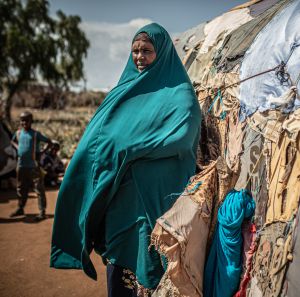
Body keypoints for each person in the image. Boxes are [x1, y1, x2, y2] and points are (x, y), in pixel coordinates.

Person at [50, 23, 201, 296]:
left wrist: (132, 149)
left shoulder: (180, 93)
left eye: (147, 50)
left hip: (157, 204)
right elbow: (100, 136)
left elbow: (182, 135)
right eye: (135, 51)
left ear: (162, 52)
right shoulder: (122, 92)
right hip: (120, 202)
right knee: (120, 271)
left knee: (154, 265)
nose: (140, 57)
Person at [10, 111, 52, 220]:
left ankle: (42, 212)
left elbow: (49, 142)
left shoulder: (35, 134)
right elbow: (12, 141)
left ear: (31, 121)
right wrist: (18, 147)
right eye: (22, 120)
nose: (24, 122)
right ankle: (20, 208)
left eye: (26, 120)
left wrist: (42, 152)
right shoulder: (18, 133)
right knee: (20, 188)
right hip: (21, 166)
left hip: (33, 166)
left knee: (38, 188)